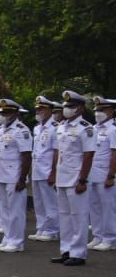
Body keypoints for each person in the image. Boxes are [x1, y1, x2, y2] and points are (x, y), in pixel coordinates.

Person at [50, 90, 95, 266]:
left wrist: (83, 180)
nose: (67, 109)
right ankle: (66, 250)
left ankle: (78, 253)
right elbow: (59, 153)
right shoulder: (61, 126)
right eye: (66, 106)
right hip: (62, 177)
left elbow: (88, 155)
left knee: (78, 216)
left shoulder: (86, 128)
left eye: (72, 106)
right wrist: (56, 176)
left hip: (76, 178)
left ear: (80, 108)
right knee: (64, 217)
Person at [0, 99, 32, 252]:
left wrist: (22, 178)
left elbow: (26, 156)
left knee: (15, 211)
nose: (3, 115)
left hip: (15, 175)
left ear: (15, 113)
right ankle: (7, 238)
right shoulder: (1, 130)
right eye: (2, 112)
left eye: (6, 112)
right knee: (4, 209)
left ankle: (16, 241)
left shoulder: (21, 130)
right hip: (1, 174)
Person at [29, 96, 60, 242]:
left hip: (47, 170)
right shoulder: (37, 128)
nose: (38, 112)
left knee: (50, 202)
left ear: (49, 110)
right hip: (37, 169)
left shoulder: (55, 127)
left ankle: (52, 230)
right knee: (38, 202)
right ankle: (41, 228)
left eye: (41, 109)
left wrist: (53, 172)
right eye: (37, 109)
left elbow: (56, 152)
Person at [89, 96, 116, 251]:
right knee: (94, 206)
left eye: (102, 109)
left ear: (111, 111)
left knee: (108, 207)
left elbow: (115, 154)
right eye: (97, 109)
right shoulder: (93, 128)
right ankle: (98, 236)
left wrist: (111, 176)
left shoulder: (113, 130)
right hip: (92, 174)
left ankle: (110, 238)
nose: (99, 113)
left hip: (106, 174)